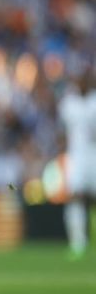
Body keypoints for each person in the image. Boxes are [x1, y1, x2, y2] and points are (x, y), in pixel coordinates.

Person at [59, 68, 96, 259]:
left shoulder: (94, 102)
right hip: (77, 156)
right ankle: (77, 242)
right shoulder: (69, 104)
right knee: (75, 196)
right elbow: (63, 130)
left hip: (94, 154)